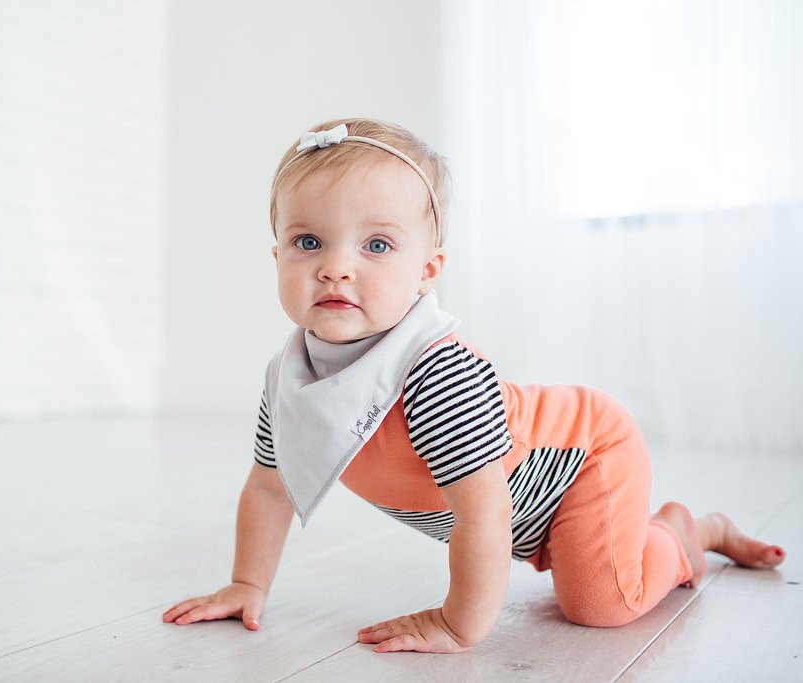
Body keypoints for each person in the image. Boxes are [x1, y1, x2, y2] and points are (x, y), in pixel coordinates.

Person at [162, 118, 786, 653]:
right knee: (584, 580)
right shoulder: (291, 378)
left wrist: (459, 626)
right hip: (518, 512)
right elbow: (270, 489)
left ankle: (684, 535)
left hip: (586, 459)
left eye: (377, 244)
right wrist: (247, 584)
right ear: (278, 259)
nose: (337, 265)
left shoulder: (438, 372)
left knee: (601, 604)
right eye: (308, 241)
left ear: (426, 272)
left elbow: (484, 513)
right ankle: (659, 533)